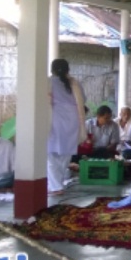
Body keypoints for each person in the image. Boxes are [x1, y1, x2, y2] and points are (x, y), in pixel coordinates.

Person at [47, 59, 86, 195]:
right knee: (65, 154)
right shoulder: (75, 83)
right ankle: (58, 183)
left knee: (51, 154)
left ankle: (56, 187)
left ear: (52, 69)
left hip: (55, 117)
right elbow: (83, 100)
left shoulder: (49, 82)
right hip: (73, 119)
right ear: (67, 69)